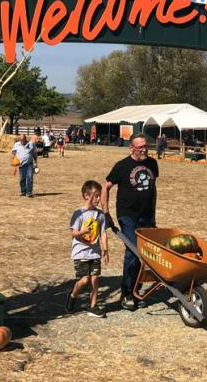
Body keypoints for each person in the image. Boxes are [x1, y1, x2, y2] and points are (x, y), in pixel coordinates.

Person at [101, 133, 159, 311]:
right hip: (128, 215)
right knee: (133, 253)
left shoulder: (152, 164)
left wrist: (153, 214)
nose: (144, 149)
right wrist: (106, 213)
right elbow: (105, 187)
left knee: (147, 254)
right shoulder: (122, 166)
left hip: (146, 216)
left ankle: (136, 291)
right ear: (131, 148)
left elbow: (152, 189)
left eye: (145, 146)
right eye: (140, 147)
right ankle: (126, 292)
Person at [65, 180, 109, 317]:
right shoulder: (79, 214)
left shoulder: (100, 215)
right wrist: (82, 232)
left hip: (94, 252)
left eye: (99, 196)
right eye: (95, 196)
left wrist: (105, 250)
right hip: (81, 253)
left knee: (95, 279)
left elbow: (102, 233)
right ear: (86, 196)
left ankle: (93, 306)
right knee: (84, 280)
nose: (98, 199)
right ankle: (72, 296)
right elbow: (73, 233)